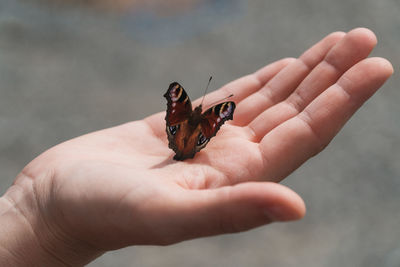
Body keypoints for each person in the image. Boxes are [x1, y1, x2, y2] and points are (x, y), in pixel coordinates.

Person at [0, 28, 393, 266]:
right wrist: (37, 218)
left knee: (187, 137)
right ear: (184, 105)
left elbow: (187, 105)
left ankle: (186, 141)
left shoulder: (185, 110)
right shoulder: (203, 114)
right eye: (181, 101)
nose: (197, 109)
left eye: (215, 115)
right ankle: (190, 141)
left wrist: (37, 221)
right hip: (187, 136)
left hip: (179, 135)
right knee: (193, 138)